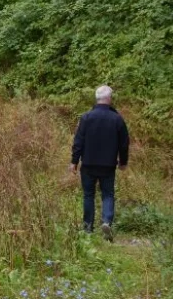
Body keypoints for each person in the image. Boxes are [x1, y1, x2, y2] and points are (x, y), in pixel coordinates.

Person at [70, 85, 130, 241]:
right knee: (108, 194)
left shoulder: (86, 117)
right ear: (109, 99)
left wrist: (74, 161)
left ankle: (88, 228)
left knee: (88, 195)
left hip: (88, 164)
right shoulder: (117, 118)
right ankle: (106, 222)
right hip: (108, 165)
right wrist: (123, 162)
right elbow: (124, 143)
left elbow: (78, 141)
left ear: (96, 99)